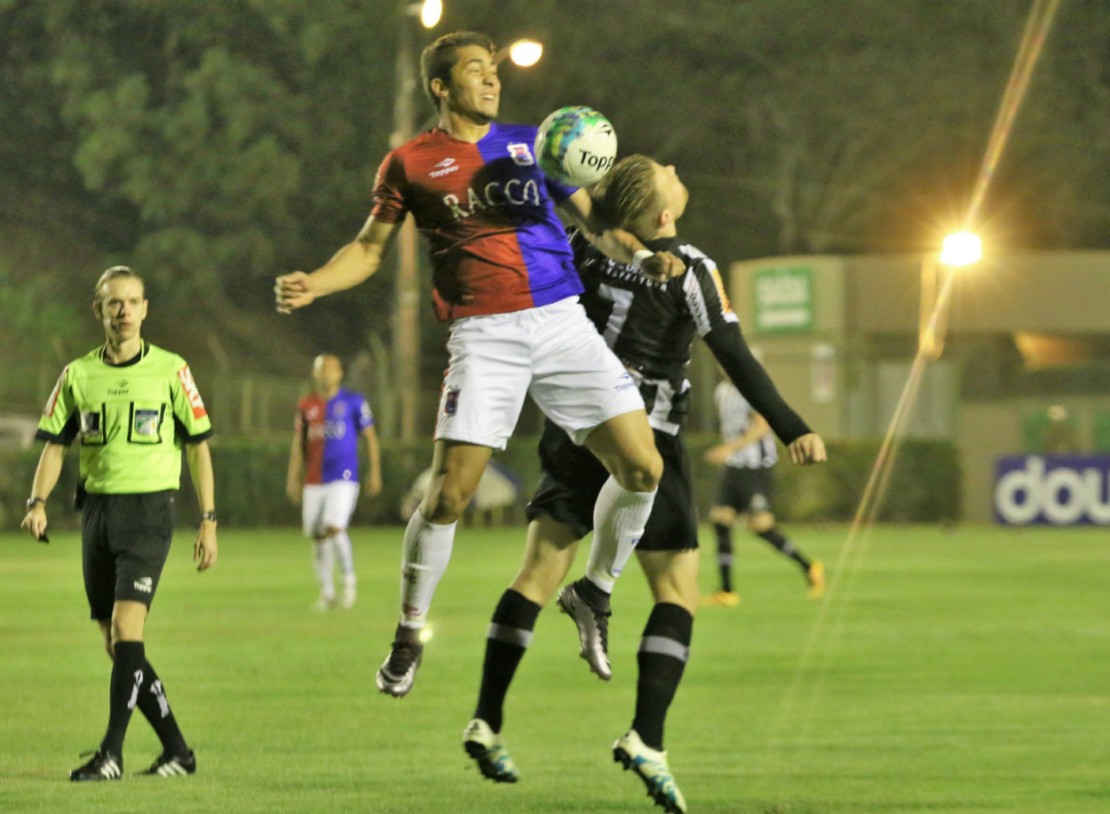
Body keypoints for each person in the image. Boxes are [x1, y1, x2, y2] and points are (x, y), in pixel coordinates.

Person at [275, 31, 685, 698]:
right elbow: (369, 249)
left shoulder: (532, 145)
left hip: (560, 323)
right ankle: (409, 631)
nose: (490, 81)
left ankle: (595, 594)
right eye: (474, 71)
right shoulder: (409, 163)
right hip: (484, 336)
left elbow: (597, 225)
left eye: (493, 71)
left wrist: (643, 259)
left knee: (644, 467)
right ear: (441, 87)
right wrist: (317, 282)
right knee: (448, 496)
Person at [461, 155, 827, 813]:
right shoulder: (691, 269)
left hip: (575, 428)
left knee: (537, 572)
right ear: (663, 213)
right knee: (678, 590)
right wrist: (794, 425)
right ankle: (646, 738)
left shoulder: (585, 247)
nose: (677, 167)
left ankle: (487, 718)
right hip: (647, 435)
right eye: (668, 173)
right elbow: (736, 358)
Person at [20, 265, 218, 781]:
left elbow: (198, 447)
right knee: (116, 643)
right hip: (98, 514)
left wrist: (209, 520)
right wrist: (37, 501)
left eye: (133, 302)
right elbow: (56, 446)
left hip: (150, 512)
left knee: (130, 629)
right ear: (99, 310)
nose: (124, 311)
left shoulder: (173, 370)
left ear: (145, 309)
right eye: (115, 303)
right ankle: (178, 750)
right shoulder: (78, 374)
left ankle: (111, 753)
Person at [703, 381, 826, 605]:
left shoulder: (750, 386)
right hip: (734, 467)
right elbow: (731, 428)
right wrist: (728, 452)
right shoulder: (721, 391)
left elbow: (760, 427)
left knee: (760, 526)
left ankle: (809, 567)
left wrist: (728, 449)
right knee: (721, 520)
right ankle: (727, 591)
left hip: (755, 467)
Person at [286, 353, 383, 611]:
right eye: (321, 369)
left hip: (344, 476)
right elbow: (299, 443)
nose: (325, 373)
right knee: (318, 535)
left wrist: (375, 471)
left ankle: (349, 583)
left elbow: (370, 437)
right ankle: (327, 593)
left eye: (330, 369)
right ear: (314, 373)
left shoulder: (354, 402)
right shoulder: (306, 404)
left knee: (334, 527)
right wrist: (293, 476)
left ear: (340, 373)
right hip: (314, 479)